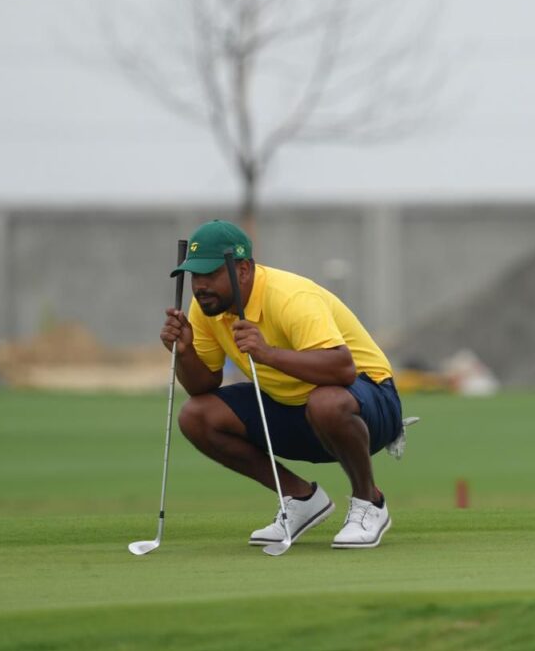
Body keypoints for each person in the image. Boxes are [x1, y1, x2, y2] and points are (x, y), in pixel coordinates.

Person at [161, 220, 405, 549]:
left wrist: (267, 354)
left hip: (369, 401)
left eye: (211, 275)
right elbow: (203, 386)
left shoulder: (290, 297)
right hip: (295, 408)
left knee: (326, 403)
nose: (200, 286)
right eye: (195, 276)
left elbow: (343, 369)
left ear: (243, 269)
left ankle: (369, 502)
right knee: (196, 416)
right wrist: (186, 352)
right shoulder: (207, 308)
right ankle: (301, 498)